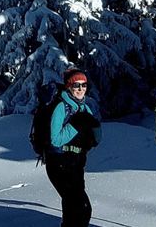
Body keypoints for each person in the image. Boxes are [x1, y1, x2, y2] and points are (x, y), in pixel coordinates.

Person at [46, 69, 102, 227]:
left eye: (84, 85)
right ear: (68, 86)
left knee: (75, 209)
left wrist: (93, 135)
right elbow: (55, 140)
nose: (80, 89)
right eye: (76, 85)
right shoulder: (61, 107)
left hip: (76, 164)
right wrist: (76, 125)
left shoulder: (85, 108)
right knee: (80, 208)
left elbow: (94, 139)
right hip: (59, 164)